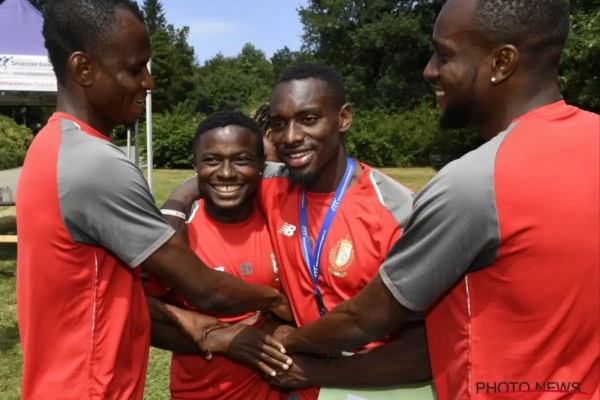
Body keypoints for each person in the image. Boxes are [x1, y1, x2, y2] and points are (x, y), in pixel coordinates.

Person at [265, 1, 600, 399]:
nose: (429, 70)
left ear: (501, 63)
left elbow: (366, 318)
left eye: (445, 55)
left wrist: (290, 343)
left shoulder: (473, 184)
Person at [15, 1, 291, 399]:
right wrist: (275, 298)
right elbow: (205, 290)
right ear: (83, 69)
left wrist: (174, 314)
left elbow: (93, 290)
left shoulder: (51, 147)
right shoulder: (97, 165)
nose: (149, 82)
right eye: (134, 69)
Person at [162, 62, 433, 400]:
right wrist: (175, 206)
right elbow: (218, 171)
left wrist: (315, 371)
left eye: (308, 119)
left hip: (376, 389)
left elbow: (423, 353)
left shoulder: (398, 212)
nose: (290, 137)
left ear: (343, 118)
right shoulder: (273, 186)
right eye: (279, 124)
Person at [145, 110, 288, 400]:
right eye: (211, 160)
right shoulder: (178, 234)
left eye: (242, 159)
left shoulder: (282, 220)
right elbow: (139, 313)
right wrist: (218, 339)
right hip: (200, 394)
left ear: (262, 164)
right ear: (195, 164)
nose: (226, 173)